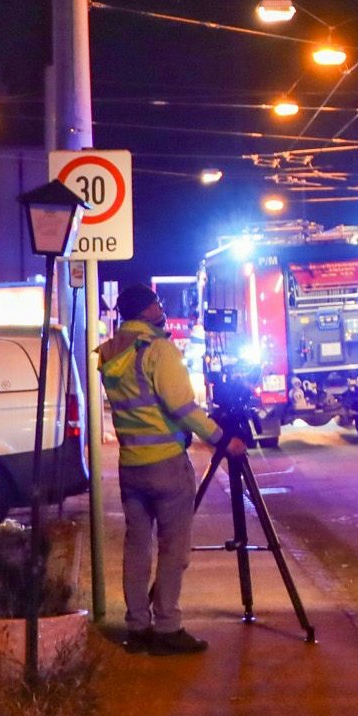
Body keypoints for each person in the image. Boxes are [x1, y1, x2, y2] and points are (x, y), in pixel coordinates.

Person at [99, 279, 251, 656]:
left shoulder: (109, 352)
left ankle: (138, 627)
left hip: (131, 464)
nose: (161, 309)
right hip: (166, 463)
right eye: (156, 305)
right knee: (173, 549)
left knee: (137, 548)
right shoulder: (158, 350)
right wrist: (221, 439)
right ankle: (167, 628)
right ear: (146, 310)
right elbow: (183, 408)